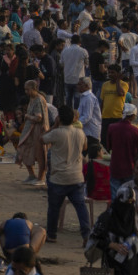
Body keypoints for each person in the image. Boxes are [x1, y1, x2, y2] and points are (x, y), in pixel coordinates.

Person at [42, 104, 91, 244]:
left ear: (59, 118)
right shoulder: (80, 132)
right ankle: (86, 235)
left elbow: (42, 139)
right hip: (76, 176)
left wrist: (54, 126)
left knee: (54, 208)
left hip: (59, 177)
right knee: (81, 208)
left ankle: (52, 235)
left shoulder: (57, 133)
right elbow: (85, 147)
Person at [87, 185, 138, 275]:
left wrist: (132, 244)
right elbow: (94, 239)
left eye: (130, 204)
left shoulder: (133, 218)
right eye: (125, 204)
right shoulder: (106, 218)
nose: (127, 208)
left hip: (131, 265)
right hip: (112, 264)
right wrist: (112, 245)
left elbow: (136, 235)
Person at [17, 80, 49, 186]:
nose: (26, 92)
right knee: (24, 149)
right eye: (25, 89)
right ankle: (31, 174)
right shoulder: (32, 98)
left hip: (38, 129)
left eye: (28, 89)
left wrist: (27, 116)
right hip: (30, 129)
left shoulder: (39, 100)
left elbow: (39, 117)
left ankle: (41, 177)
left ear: (34, 89)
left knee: (40, 154)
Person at [109, 104, 138, 194]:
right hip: (129, 168)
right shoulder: (135, 131)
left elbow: (109, 146)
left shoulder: (111, 127)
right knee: (129, 196)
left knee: (115, 196)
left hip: (115, 167)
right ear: (133, 116)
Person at [78, 77, 103, 149]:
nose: (78, 87)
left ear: (86, 86)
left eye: (80, 85)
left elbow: (87, 116)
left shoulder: (89, 98)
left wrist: (75, 124)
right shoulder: (84, 97)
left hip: (91, 131)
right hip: (87, 130)